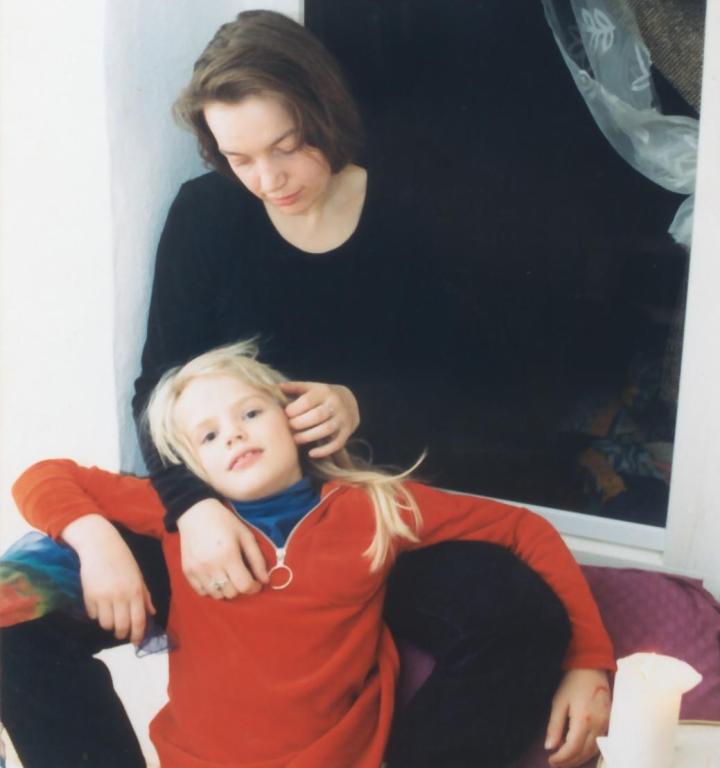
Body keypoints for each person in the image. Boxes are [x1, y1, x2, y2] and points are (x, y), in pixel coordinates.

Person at [0, 11, 608, 768]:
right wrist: (187, 511)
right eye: (240, 158)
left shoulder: (413, 210)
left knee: (517, 614)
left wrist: (363, 405)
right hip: (215, 513)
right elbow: (156, 392)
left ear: (325, 112)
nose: (268, 179)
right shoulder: (207, 214)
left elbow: (482, 392)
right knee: (14, 616)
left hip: (363, 519)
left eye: (287, 147)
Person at [12, 339, 614, 768]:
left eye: (250, 413)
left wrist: (588, 661)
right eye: (209, 435)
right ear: (191, 469)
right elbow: (43, 476)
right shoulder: (178, 519)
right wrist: (95, 541)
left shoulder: (371, 508)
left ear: (294, 421)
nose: (235, 434)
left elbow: (526, 529)